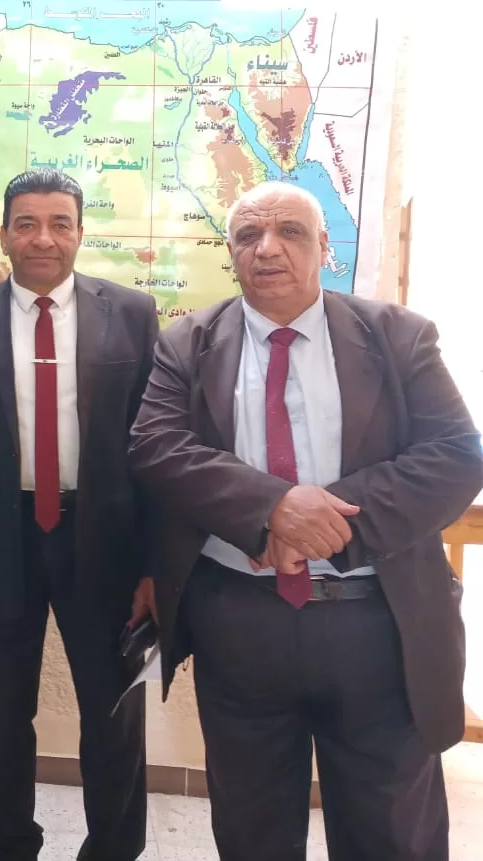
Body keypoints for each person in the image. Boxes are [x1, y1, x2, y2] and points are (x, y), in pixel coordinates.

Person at [128, 181, 483, 860]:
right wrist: (271, 509)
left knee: (392, 833)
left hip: (378, 622)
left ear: (324, 247)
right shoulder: (187, 342)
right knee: (252, 829)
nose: (267, 249)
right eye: (248, 236)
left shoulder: (398, 335)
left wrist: (327, 522)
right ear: (230, 252)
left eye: (290, 232)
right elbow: (156, 447)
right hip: (241, 623)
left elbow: (456, 455)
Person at [0, 169, 156, 861]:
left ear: (81, 232)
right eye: (26, 223)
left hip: (104, 543)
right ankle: (13, 846)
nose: (43, 238)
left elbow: (153, 448)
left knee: (114, 713)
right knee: (2, 714)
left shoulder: (132, 312)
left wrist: (153, 567)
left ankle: (113, 849)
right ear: (4, 235)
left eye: (60, 223)